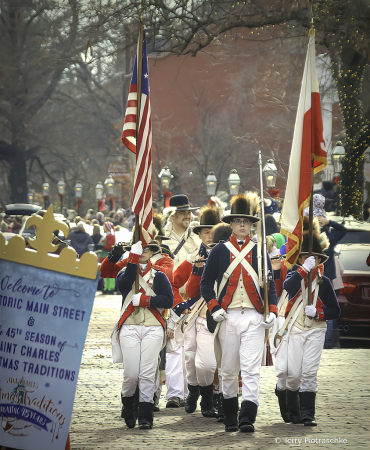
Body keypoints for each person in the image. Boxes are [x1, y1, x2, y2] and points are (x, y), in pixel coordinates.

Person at [200, 193, 278, 433]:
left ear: (252, 225)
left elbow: (269, 284)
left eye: (247, 221)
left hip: (254, 317)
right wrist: (214, 307)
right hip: (228, 316)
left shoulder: (259, 251)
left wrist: (272, 310)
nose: (243, 224)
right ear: (231, 224)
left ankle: (248, 416)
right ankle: (231, 416)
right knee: (229, 370)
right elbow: (205, 284)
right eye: (238, 221)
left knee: (251, 369)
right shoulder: (220, 251)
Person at [275, 217, 340, 426]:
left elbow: (335, 310)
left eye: (314, 258)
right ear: (300, 259)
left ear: (320, 261)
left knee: (309, 371)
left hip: (316, 330)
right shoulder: (295, 274)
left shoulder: (325, 282)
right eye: (305, 257)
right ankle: (291, 407)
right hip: (294, 327)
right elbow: (289, 288)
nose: (311, 260)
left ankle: (307, 414)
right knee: (293, 374)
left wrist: (319, 313)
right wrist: (303, 269)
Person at [116, 240, 173, 429]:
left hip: (153, 326)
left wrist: (146, 300)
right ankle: (127, 407)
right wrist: (132, 258)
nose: (143, 252)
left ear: (152, 253)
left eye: (147, 249)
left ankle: (145, 415)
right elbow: (125, 283)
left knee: (148, 374)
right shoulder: (125, 273)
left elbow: (168, 300)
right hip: (130, 326)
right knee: (131, 374)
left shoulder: (160, 276)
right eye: (140, 249)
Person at [172, 205, 220, 417]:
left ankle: (208, 398)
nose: (210, 236)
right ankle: (193, 392)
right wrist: (178, 306)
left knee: (207, 364)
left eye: (213, 231)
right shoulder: (192, 258)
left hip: (212, 315)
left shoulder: (224, 256)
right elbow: (175, 285)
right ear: (199, 234)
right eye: (206, 232)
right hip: (193, 314)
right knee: (189, 357)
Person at [162, 194, 201, 408]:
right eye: (183, 212)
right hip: (170, 298)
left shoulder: (196, 239)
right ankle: (174, 394)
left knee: (191, 348)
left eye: (189, 212)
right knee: (174, 347)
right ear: (172, 214)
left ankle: (190, 391)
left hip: (194, 301)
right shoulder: (162, 239)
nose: (188, 215)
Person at [303, 194, 346, 348]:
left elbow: (343, 230)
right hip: (320, 276)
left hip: (322, 277)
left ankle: (327, 342)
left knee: (322, 308)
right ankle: (328, 342)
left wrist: (329, 222)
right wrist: (330, 222)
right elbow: (342, 230)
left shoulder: (324, 236)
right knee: (324, 308)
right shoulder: (318, 236)